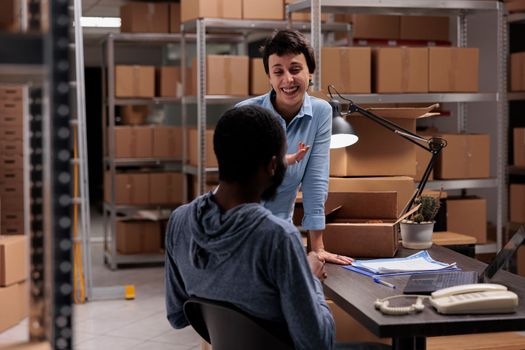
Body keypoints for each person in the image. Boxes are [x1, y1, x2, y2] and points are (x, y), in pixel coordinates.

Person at [165, 105, 335, 350]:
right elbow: (318, 343)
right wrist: (310, 280)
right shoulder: (277, 238)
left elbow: (177, 315)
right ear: (273, 166)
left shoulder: (180, 221)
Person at [236, 29, 353, 265]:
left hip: (281, 235)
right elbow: (239, 184)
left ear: (311, 73)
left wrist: (317, 248)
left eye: (295, 69)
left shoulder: (321, 112)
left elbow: (315, 181)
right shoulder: (246, 115)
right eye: (278, 72)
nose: (287, 79)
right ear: (269, 77)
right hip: (240, 232)